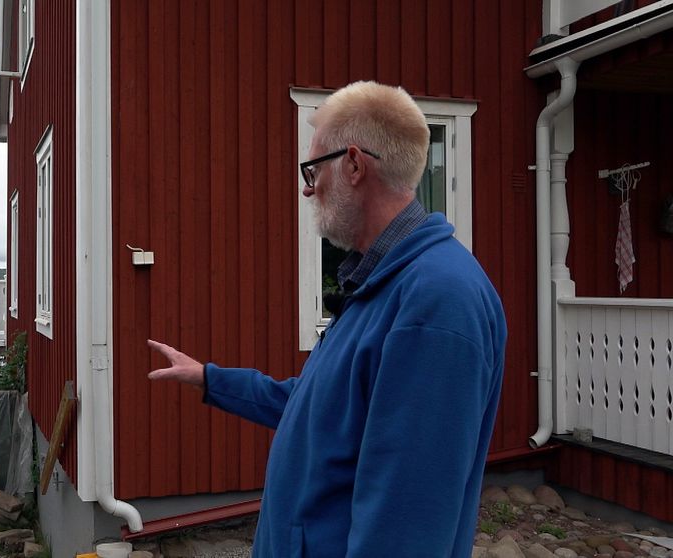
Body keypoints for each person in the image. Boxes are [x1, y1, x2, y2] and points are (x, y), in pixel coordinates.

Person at [147, 81, 507, 557]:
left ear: (354, 165)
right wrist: (211, 380)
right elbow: (317, 406)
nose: (307, 186)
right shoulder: (383, 281)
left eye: (314, 169)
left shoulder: (436, 302)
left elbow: (404, 531)